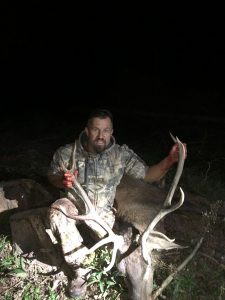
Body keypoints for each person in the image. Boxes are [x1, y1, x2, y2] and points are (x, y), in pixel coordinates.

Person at [47, 108, 187, 298]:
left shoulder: (121, 155)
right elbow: (52, 177)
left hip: (104, 214)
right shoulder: (66, 153)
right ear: (87, 130)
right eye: (96, 130)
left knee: (127, 246)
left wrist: (170, 160)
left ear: (111, 132)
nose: (100, 135)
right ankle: (79, 270)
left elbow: (148, 174)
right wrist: (62, 181)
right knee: (57, 212)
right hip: (74, 206)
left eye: (105, 130)